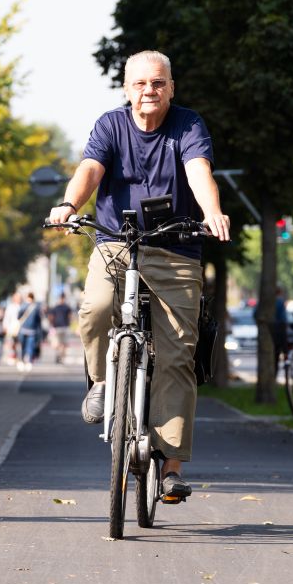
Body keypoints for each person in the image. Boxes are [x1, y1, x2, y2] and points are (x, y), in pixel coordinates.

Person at [47, 50, 230, 501]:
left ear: (171, 87)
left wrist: (212, 211)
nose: (150, 91)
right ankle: (102, 381)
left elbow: (197, 169)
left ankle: (170, 466)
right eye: (141, 84)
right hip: (115, 243)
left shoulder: (188, 125)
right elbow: (90, 169)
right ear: (127, 89)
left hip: (175, 248)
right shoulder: (110, 125)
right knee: (96, 308)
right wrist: (69, 205)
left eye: (159, 83)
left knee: (177, 354)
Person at [17, 293, 43, 372]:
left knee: (22, 346)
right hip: (32, 331)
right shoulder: (36, 307)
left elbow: (18, 317)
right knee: (30, 347)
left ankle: (22, 361)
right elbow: (39, 320)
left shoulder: (23, 306)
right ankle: (28, 362)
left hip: (23, 330)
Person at [48, 294, 73, 364]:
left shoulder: (55, 307)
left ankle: (59, 355)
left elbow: (51, 317)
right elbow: (70, 316)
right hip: (64, 327)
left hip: (58, 327)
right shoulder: (67, 307)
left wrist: (51, 324)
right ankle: (61, 356)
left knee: (59, 343)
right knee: (63, 344)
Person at [1, 292, 24, 365]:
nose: (18, 299)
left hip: (21, 328)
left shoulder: (23, 306)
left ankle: (20, 358)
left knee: (19, 344)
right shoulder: (10, 307)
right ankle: (11, 357)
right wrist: (5, 326)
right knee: (11, 343)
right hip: (12, 328)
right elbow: (7, 317)